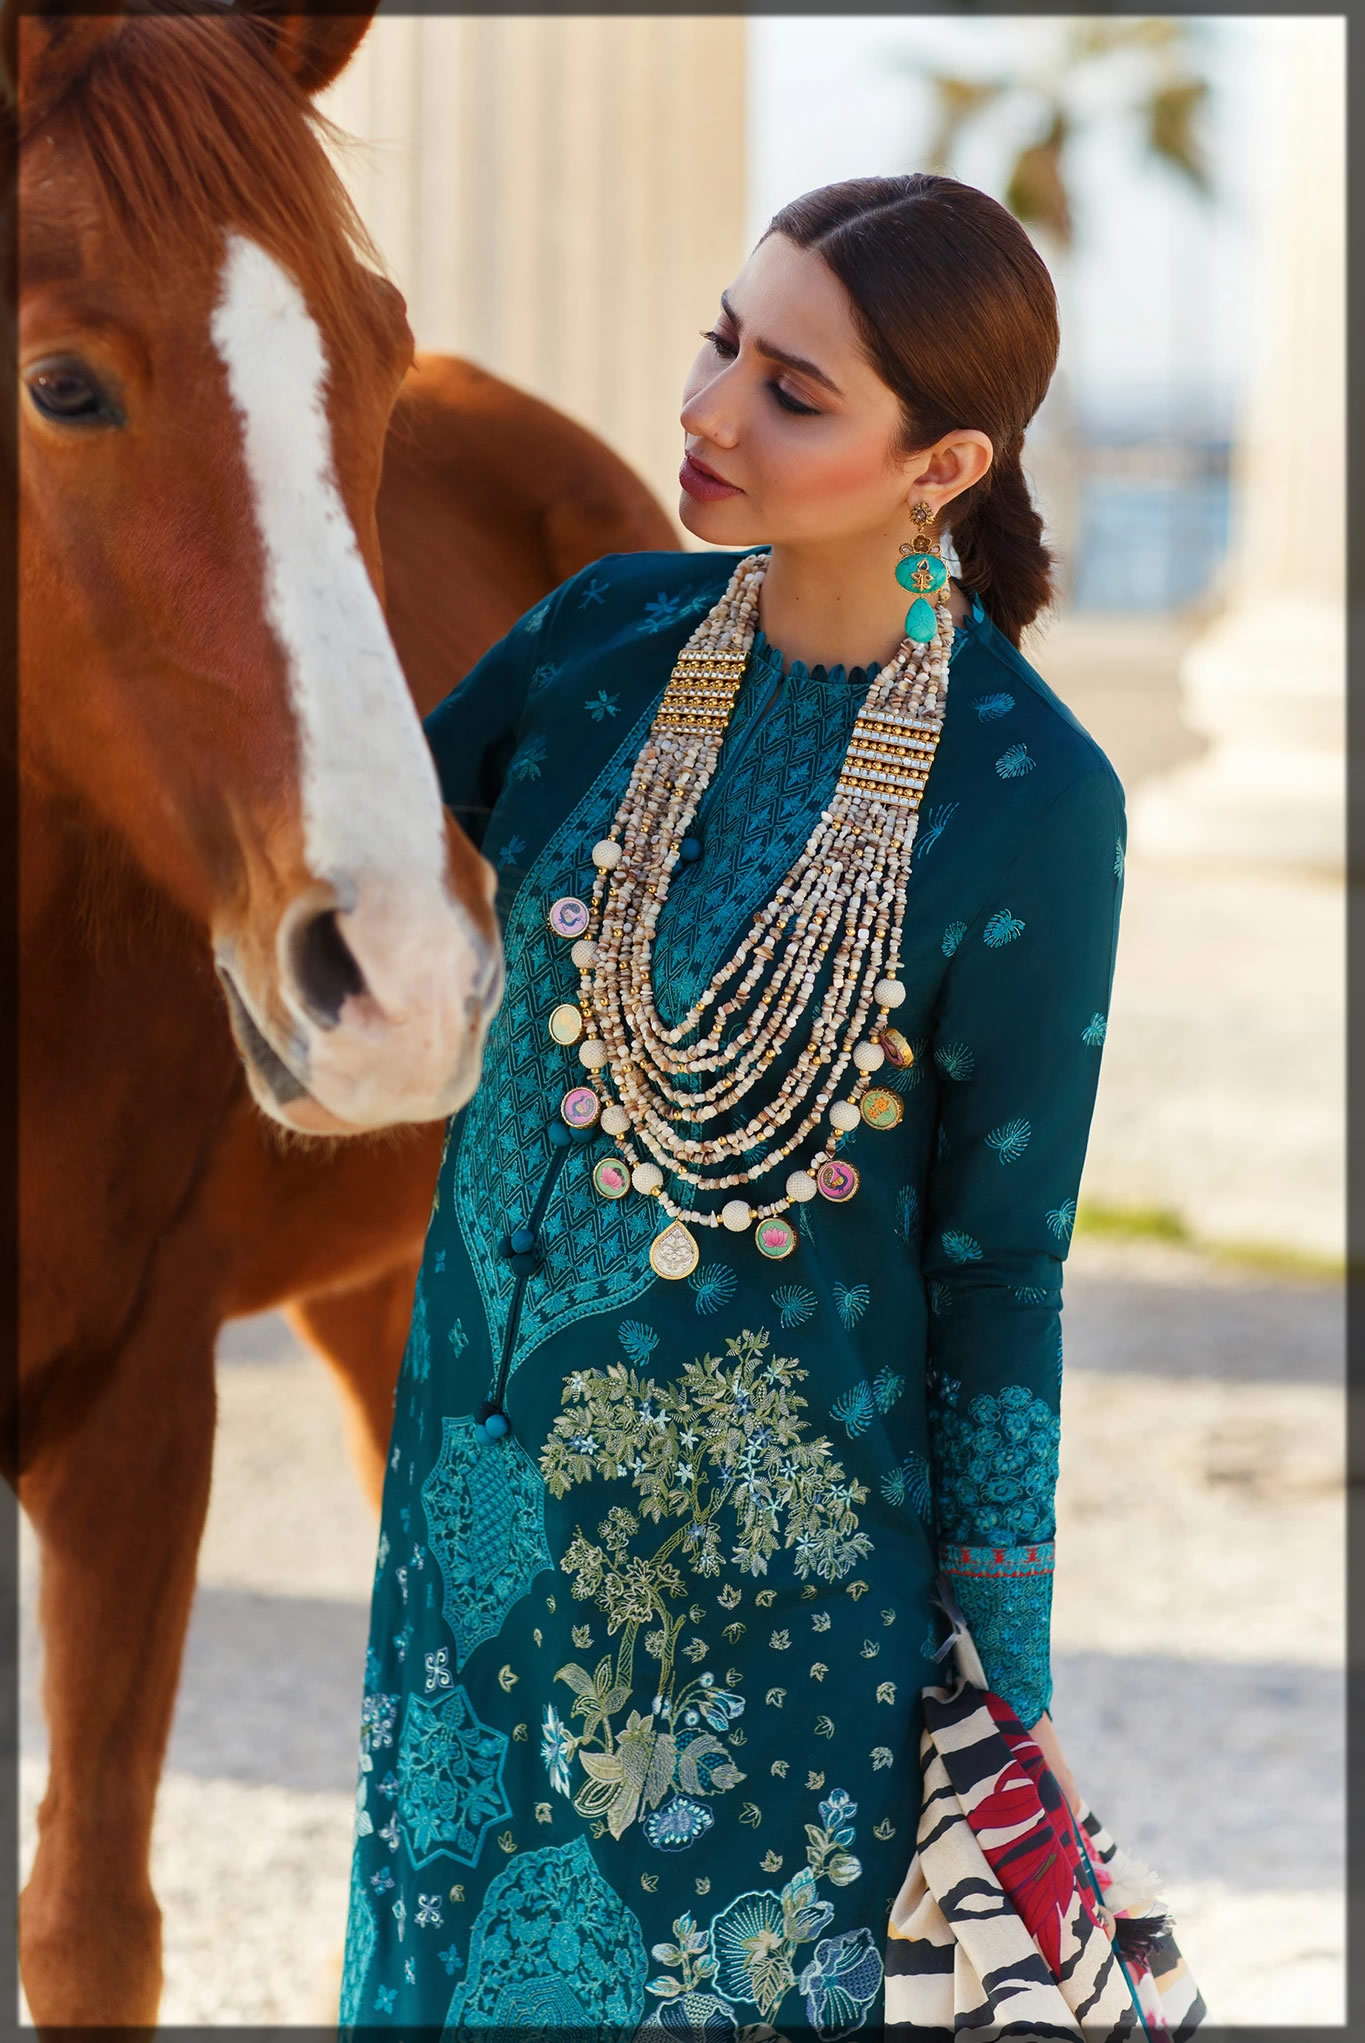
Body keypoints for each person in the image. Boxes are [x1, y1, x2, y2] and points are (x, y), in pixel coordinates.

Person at [339, 172, 1125, 2038]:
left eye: (790, 389)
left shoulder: (1029, 798)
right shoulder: (599, 642)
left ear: (940, 464)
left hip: (763, 1633)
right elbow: (335, 888)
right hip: (471, 1535)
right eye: (721, 340)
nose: (703, 412)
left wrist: (995, 1711)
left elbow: (1000, 1273)